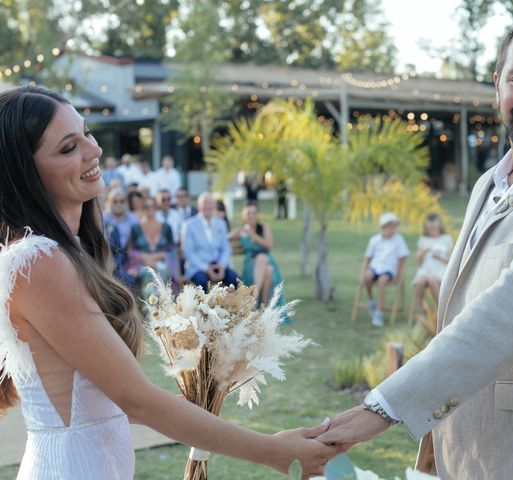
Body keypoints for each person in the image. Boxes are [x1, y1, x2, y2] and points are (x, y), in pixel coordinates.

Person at [317, 13, 513, 480]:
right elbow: (460, 314)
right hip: (466, 455)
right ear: (498, 85)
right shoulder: (488, 183)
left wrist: (382, 408)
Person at [0, 86, 338, 480]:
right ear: (25, 172)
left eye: (87, 133)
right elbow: (137, 401)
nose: (93, 151)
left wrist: (200, 399)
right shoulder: (38, 261)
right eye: (67, 148)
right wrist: (276, 452)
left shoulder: (69, 251)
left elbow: (108, 404)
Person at [229, 203, 287, 310]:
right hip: (251, 264)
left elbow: (269, 244)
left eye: (254, 213)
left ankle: (255, 302)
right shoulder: (241, 230)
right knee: (266, 266)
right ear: (244, 216)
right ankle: (264, 308)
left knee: (267, 266)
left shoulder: (264, 227)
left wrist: (252, 235)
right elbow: (226, 237)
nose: (251, 216)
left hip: (267, 261)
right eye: (248, 213)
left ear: (257, 215)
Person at [360, 212, 409, 327]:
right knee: (367, 276)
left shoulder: (399, 240)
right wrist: (366, 269)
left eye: (394, 226)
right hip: (375, 267)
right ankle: (371, 299)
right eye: (390, 227)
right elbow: (368, 257)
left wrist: (399, 275)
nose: (393, 229)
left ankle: (378, 312)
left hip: (389, 269)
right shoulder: (374, 240)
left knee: (382, 281)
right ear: (383, 227)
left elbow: (402, 258)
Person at [182, 193, 240, 290]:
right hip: (198, 267)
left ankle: (229, 305)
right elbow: (189, 252)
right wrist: (206, 269)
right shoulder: (189, 225)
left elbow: (226, 248)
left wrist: (222, 265)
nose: (208, 205)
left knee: (234, 279)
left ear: (214, 206)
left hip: (218, 265)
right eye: (205, 203)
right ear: (199, 206)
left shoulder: (221, 223)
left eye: (210, 203)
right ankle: (204, 306)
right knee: (202, 283)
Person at [126, 196, 180, 298]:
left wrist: (156, 257)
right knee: (148, 273)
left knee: (162, 271)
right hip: (140, 264)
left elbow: (172, 250)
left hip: (163, 263)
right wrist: (145, 258)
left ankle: (163, 307)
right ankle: (149, 308)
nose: (150, 209)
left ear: (157, 208)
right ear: (143, 208)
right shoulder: (135, 228)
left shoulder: (166, 227)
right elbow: (130, 250)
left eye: (153, 206)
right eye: (147, 206)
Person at [411, 213, 453, 306]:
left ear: (439, 226)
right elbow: (418, 259)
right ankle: (421, 309)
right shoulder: (424, 240)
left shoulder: (446, 239)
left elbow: (451, 261)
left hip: (441, 269)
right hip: (426, 269)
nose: (432, 230)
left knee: (432, 280)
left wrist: (439, 257)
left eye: (434, 228)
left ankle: (441, 308)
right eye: (430, 228)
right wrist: (426, 249)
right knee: (421, 280)